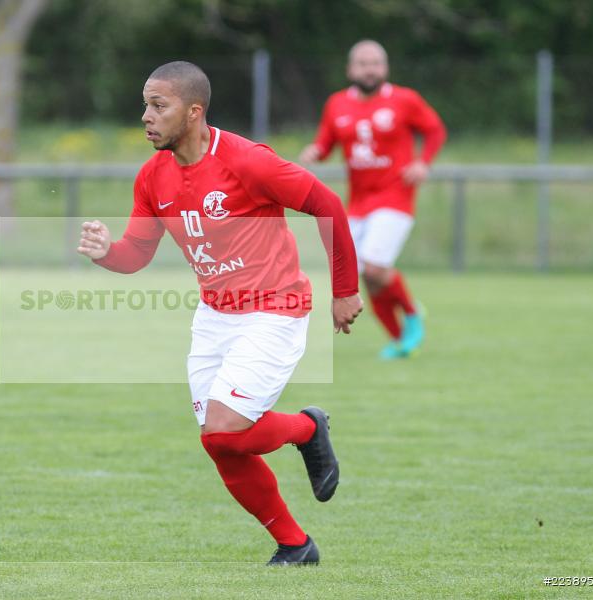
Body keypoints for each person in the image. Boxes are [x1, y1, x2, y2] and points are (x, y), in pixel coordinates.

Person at [77, 61, 363, 565]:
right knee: (221, 444)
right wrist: (106, 253)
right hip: (214, 317)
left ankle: (305, 429)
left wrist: (345, 290)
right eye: (145, 104)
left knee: (225, 428)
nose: (146, 116)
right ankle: (296, 545)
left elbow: (327, 205)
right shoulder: (152, 176)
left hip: (274, 309)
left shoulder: (248, 162)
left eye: (157, 105)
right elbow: (137, 254)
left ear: (193, 112)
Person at [300, 40, 446, 359]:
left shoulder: (405, 100)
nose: (370, 69)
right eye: (363, 63)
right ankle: (399, 341)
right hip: (358, 203)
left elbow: (435, 130)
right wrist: (315, 153)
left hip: (395, 196)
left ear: (386, 67)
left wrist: (424, 163)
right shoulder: (337, 104)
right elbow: (325, 144)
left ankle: (411, 314)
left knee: (376, 266)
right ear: (351, 69)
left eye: (376, 63)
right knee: (361, 272)